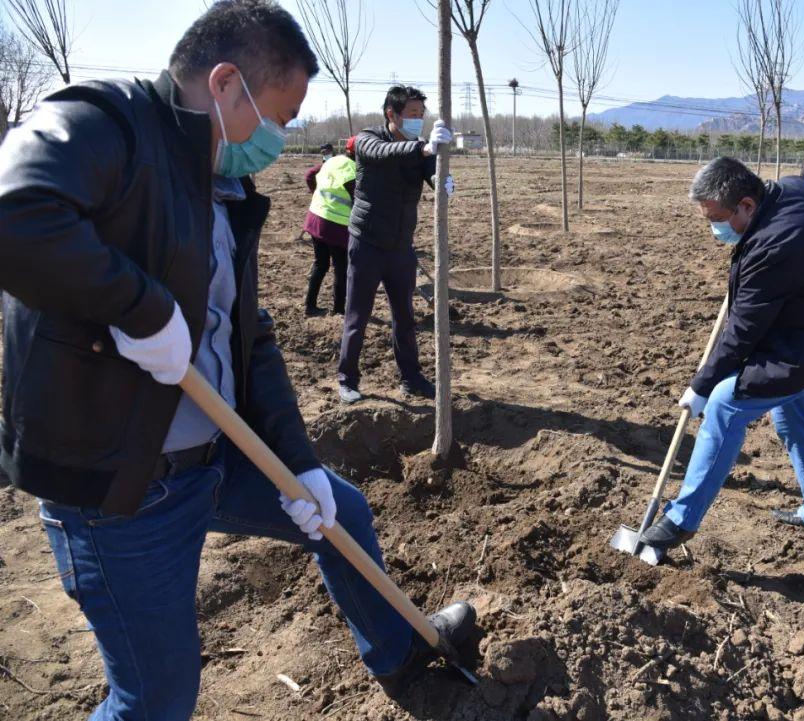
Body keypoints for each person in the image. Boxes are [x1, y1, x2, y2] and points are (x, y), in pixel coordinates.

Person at [0, 3, 474, 718]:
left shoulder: (220, 181)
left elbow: (248, 337)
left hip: (215, 461)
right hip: (122, 490)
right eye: (276, 115)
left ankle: (403, 649)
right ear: (226, 85)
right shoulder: (106, 124)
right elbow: (16, 213)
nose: (277, 139)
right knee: (155, 697)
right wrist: (138, 307)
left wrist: (298, 460)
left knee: (338, 509)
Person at [639, 158, 804, 551]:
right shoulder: (792, 189)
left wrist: (702, 385)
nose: (713, 228)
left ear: (746, 204)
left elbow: (742, 333)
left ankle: (680, 520)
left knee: (725, 404)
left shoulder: (774, 245)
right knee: (796, 421)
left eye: (717, 218)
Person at [336, 85, 454, 404]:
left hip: (401, 247)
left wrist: (445, 176)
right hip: (367, 243)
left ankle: (411, 378)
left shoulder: (419, 149)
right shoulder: (367, 139)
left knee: (404, 316)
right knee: (357, 315)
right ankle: (347, 377)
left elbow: (439, 180)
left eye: (421, 115)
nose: (418, 120)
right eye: (413, 115)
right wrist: (424, 149)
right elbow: (384, 154)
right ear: (392, 114)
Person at [302, 138, 355, 316]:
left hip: (316, 218)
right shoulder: (354, 171)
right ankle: (339, 310)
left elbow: (310, 175)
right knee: (341, 268)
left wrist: (317, 193)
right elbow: (359, 202)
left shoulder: (333, 160)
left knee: (321, 264)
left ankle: (310, 306)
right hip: (336, 227)